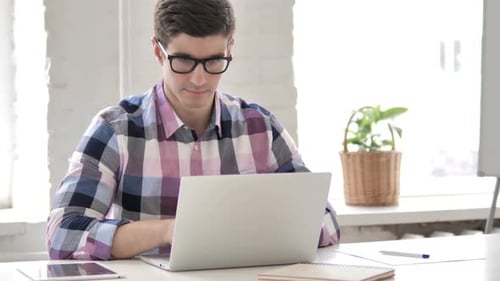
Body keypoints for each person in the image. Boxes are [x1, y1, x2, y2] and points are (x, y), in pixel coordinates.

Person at [46, 0, 340, 260]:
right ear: (158, 52)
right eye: (184, 61)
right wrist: (169, 231)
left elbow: (326, 222)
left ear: (229, 49)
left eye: (214, 60)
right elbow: (63, 235)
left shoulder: (260, 128)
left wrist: (253, 227)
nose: (199, 79)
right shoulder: (116, 130)